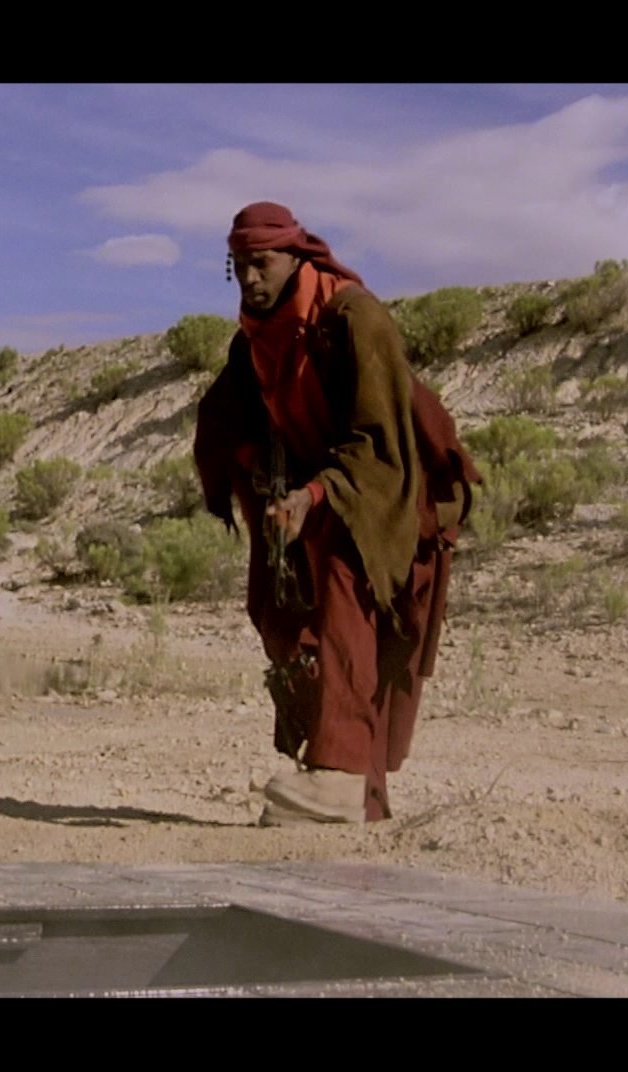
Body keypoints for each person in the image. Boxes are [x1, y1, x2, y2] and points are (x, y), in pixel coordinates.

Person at [193, 201, 480, 826]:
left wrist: (315, 496)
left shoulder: (352, 317)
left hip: (392, 491)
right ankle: (353, 797)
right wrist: (258, 473)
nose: (249, 279)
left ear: (295, 256)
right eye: (238, 266)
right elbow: (233, 415)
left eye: (262, 263)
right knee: (278, 610)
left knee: (346, 588)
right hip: (324, 489)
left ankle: (342, 773)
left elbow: (379, 443)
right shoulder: (255, 338)